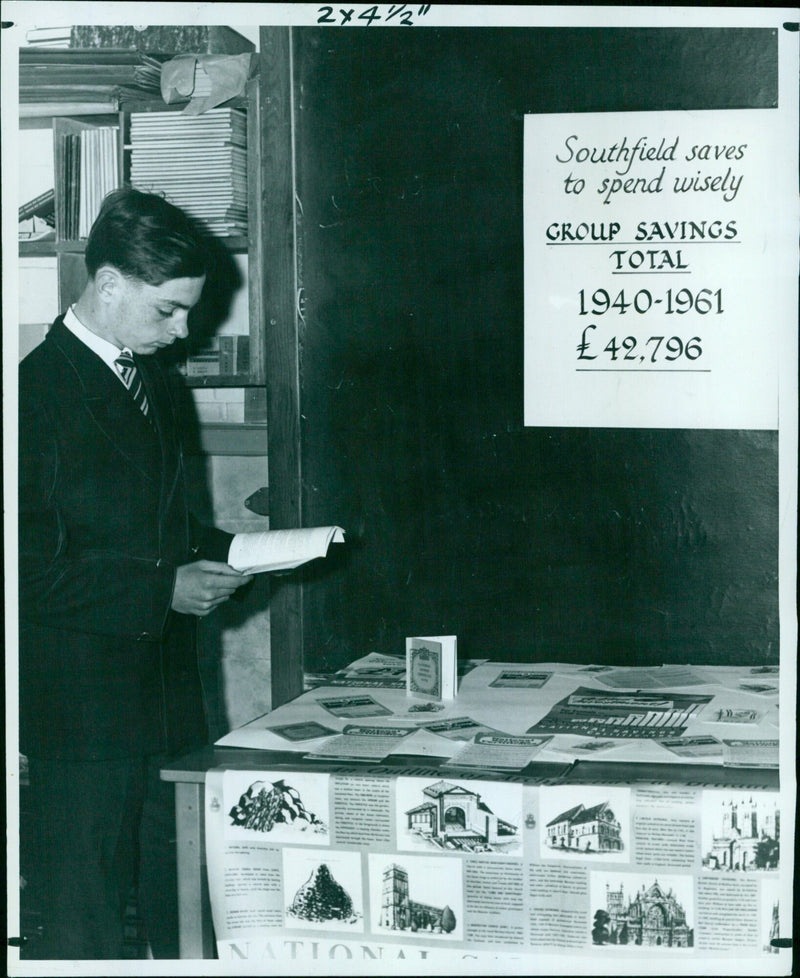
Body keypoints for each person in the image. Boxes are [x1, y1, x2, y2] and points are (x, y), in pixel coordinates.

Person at [18, 188, 254, 959]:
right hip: (82, 718)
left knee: (185, 911)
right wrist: (165, 588)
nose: (184, 330)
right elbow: (26, 571)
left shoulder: (153, 380)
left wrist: (234, 553)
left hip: (166, 702)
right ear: (110, 284)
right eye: (169, 311)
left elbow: (164, 527)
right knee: (81, 924)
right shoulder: (33, 395)